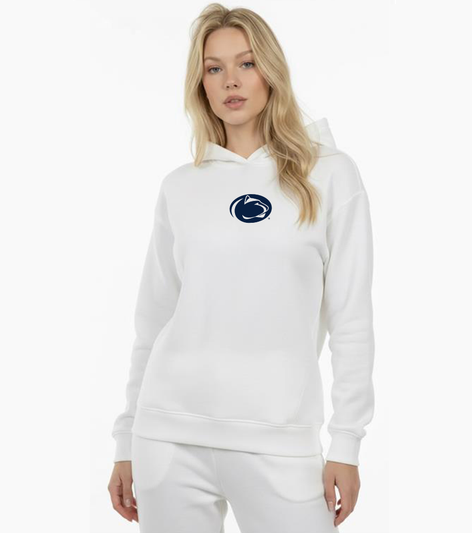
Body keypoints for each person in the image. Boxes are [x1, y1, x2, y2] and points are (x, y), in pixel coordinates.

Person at [107, 4, 375, 532]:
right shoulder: (181, 187)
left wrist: (347, 442)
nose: (230, 80)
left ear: (271, 71)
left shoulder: (330, 175)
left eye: (246, 63)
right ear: (201, 84)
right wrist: (125, 438)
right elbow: (153, 320)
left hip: (280, 442)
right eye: (214, 68)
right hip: (168, 437)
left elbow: (352, 318)